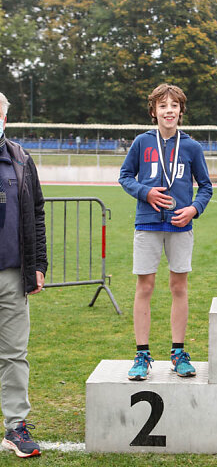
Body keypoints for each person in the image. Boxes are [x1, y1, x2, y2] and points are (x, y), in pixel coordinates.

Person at [119, 84, 212, 380]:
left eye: (174, 105)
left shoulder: (192, 147)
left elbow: (206, 187)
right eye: (162, 106)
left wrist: (194, 209)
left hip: (180, 225)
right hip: (147, 224)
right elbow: (125, 176)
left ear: (181, 111)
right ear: (153, 111)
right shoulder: (142, 143)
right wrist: (144, 192)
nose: (168, 111)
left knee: (179, 287)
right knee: (145, 287)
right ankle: (142, 354)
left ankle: (178, 353)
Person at [0, 92, 46, 458]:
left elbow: (37, 213)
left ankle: (16, 427)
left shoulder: (21, 158)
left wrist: (38, 264)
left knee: (14, 354)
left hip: (12, 275)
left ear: (4, 118)